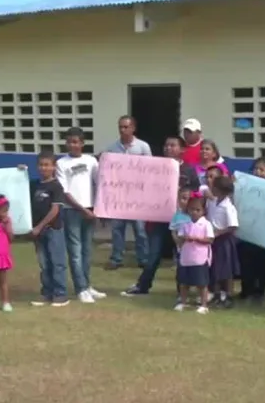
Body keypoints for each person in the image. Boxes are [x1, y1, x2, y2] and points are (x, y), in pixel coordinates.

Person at [123, 136, 199, 297]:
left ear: (182, 149)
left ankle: (182, 290)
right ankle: (143, 286)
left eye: (173, 145)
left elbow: (196, 193)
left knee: (181, 255)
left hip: (181, 220)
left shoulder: (189, 170)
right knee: (154, 254)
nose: (168, 148)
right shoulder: (155, 167)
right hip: (159, 218)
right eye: (166, 145)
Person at [57, 127, 106, 304]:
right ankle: (81, 289)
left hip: (90, 209)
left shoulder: (91, 161)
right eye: (69, 142)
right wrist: (81, 209)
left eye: (76, 142)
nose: (72, 145)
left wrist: (98, 209)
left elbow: (101, 182)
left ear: (82, 143)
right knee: (75, 251)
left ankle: (87, 284)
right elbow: (64, 192)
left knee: (87, 251)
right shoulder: (61, 163)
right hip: (72, 211)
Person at [103, 115, 152, 271]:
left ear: (133, 128)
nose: (122, 130)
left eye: (125, 127)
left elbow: (150, 169)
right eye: (120, 127)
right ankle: (116, 258)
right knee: (117, 228)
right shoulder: (112, 148)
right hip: (119, 195)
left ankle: (143, 258)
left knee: (140, 229)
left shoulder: (143, 147)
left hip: (137, 195)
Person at [29, 151, 70, 307]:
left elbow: (55, 210)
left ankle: (60, 294)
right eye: (41, 165)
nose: (43, 168)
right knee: (44, 264)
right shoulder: (34, 185)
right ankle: (47, 293)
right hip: (38, 232)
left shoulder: (56, 186)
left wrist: (40, 226)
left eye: (47, 165)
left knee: (57, 262)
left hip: (53, 230)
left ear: (54, 167)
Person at [238, 158, 265, 303]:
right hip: (247, 232)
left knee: (262, 265)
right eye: (256, 168)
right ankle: (246, 290)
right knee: (246, 263)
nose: (257, 172)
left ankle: (260, 291)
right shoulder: (245, 186)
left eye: (261, 169)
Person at [175, 195, 214, 314]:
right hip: (186, 257)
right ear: (188, 210)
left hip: (200, 258)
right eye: (192, 209)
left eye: (198, 210)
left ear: (203, 211)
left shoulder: (206, 224)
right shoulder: (185, 224)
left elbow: (210, 239)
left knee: (201, 283)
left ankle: (204, 305)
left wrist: (197, 239)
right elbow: (180, 237)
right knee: (184, 283)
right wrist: (184, 238)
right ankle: (183, 302)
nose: (194, 212)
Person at [207, 176, 239, 308]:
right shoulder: (212, 202)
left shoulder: (228, 207)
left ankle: (228, 295)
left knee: (226, 269)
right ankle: (217, 293)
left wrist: (218, 232)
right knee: (215, 267)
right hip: (213, 239)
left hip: (224, 240)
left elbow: (233, 226)